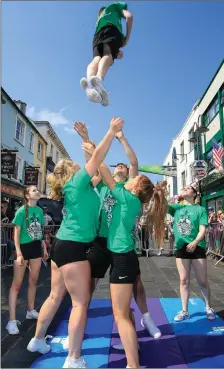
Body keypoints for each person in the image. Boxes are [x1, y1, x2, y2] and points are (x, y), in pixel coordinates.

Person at [27, 117, 124, 369]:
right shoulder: (79, 183)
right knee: (80, 303)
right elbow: (97, 156)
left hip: (62, 245)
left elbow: (93, 159)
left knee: (55, 295)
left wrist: (84, 138)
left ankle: (37, 340)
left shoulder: (78, 187)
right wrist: (111, 131)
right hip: (73, 248)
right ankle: (74, 358)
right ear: (72, 171)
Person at [73, 124, 162, 347]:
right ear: (112, 172)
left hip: (122, 244)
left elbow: (133, 162)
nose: (121, 165)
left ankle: (147, 318)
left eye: (123, 165)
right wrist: (86, 137)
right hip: (102, 240)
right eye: (117, 165)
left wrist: (121, 138)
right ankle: (79, 323)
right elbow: (92, 164)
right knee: (88, 283)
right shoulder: (104, 183)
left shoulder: (129, 188)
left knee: (136, 284)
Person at [97, 163, 167, 369]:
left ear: (135, 188)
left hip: (122, 258)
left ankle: (133, 365)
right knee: (123, 309)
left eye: (133, 180)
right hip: (126, 255)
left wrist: (93, 147)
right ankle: (132, 345)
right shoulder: (133, 201)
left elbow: (103, 169)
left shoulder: (126, 198)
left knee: (119, 314)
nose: (130, 180)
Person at [168, 185, 216, 322]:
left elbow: (202, 230)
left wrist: (195, 242)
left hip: (197, 247)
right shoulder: (177, 208)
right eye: (183, 187)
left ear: (194, 194)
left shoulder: (200, 209)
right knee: (184, 280)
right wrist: (168, 194)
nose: (184, 188)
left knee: (202, 280)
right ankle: (184, 310)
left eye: (188, 188)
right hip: (181, 247)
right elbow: (163, 206)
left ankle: (208, 307)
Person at [6, 186, 48, 335]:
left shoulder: (40, 211)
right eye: (33, 190)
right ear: (27, 195)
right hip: (23, 248)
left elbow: (40, 231)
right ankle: (11, 321)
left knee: (34, 280)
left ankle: (30, 310)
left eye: (37, 190)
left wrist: (43, 247)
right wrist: (18, 253)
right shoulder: (21, 211)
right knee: (16, 284)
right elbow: (16, 233)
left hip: (36, 247)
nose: (37, 191)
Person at [80, 2, 133, 106]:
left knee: (96, 59)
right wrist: (127, 38)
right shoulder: (115, 10)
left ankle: (90, 83)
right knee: (108, 56)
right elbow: (129, 17)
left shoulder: (100, 23)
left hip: (97, 36)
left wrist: (117, 52)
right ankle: (99, 79)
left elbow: (108, 45)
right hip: (112, 31)